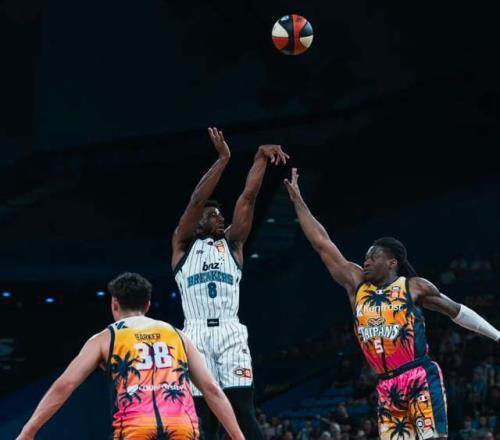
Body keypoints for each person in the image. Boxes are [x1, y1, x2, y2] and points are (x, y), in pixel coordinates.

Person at [284, 168, 500, 440]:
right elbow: (322, 243)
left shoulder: (413, 287)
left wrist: (497, 335)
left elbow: (456, 311)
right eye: (365, 257)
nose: (366, 262)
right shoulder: (356, 284)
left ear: (391, 262)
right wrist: (298, 201)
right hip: (387, 385)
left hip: (418, 374)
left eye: (372, 257)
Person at [16, 272, 244, 440]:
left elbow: (65, 385)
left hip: (135, 429)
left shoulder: (105, 338)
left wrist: (29, 431)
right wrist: (237, 436)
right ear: (147, 304)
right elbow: (211, 389)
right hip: (182, 427)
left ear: (114, 304)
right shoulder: (178, 335)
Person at [171, 127, 289, 439]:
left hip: (229, 330)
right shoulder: (182, 245)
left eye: (221, 215)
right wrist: (223, 159)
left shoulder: (233, 244)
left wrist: (260, 158)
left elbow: (248, 197)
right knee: (205, 418)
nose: (220, 218)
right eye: (213, 215)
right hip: (195, 333)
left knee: (243, 410)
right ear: (198, 222)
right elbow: (197, 199)